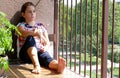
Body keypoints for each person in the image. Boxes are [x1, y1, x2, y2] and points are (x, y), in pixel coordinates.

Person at [17, 2, 66, 74]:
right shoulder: (21, 25)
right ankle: (36, 66)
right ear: (23, 14)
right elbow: (22, 33)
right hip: (25, 55)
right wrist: (35, 33)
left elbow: (47, 42)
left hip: (39, 52)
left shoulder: (41, 26)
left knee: (46, 57)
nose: (32, 14)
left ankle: (58, 66)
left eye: (34, 11)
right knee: (30, 37)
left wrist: (45, 47)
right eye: (29, 12)